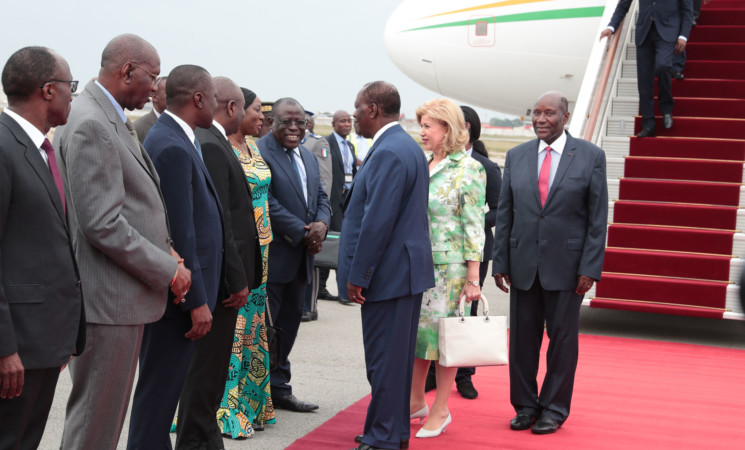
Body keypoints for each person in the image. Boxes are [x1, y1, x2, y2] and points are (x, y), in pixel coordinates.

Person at [54, 34, 190, 450]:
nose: (155, 87)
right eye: (152, 76)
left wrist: (162, 245)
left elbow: (128, 205)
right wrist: (167, 268)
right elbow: (102, 223)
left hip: (115, 297)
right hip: (107, 302)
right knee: (97, 422)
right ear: (126, 70)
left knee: (103, 419)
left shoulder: (103, 114)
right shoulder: (93, 123)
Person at [493, 91, 608, 434]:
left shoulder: (591, 156)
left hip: (568, 269)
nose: (541, 119)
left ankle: (554, 409)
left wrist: (590, 268)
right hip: (523, 265)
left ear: (566, 117)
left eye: (549, 114)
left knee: (561, 344)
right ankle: (526, 406)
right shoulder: (516, 155)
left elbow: (597, 219)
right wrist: (501, 262)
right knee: (522, 344)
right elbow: (506, 212)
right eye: (536, 113)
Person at [127, 64, 223, 449]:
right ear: (198, 98)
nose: (216, 104)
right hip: (178, 301)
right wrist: (196, 301)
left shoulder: (181, 138)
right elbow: (180, 233)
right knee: (158, 399)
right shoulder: (170, 145)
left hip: (182, 296)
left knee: (163, 399)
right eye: (214, 97)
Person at [342, 81, 435, 450]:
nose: (355, 115)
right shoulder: (405, 146)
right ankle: (393, 432)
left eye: (358, 109)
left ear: (374, 110)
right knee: (394, 362)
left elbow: (377, 221)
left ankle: (382, 437)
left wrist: (358, 275)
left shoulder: (388, 152)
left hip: (389, 274)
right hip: (403, 272)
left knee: (383, 362)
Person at [0, 46, 85, 450]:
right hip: (16, 347)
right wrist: (4, 349)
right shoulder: (3, 146)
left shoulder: (40, 148)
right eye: (72, 87)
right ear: (48, 90)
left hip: (44, 340)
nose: (74, 95)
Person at [173, 76, 262, 449]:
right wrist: (237, 280)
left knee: (211, 378)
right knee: (205, 376)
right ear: (232, 107)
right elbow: (219, 221)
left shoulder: (214, 142)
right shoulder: (210, 144)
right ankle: (196, 440)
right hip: (221, 285)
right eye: (245, 107)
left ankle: (206, 439)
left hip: (224, 281)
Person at [409, 98, 485, 439]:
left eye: (428, 126)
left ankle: (441, 408)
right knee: (418, 339)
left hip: (450, 270)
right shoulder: (424, 163)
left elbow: (473, 226)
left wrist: (473, 278)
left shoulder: (468, 169)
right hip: (418, 265)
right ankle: (414, 402)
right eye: (421, 125)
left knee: (443, 343)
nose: (422, 132)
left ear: (448, 129)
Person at [257, 97, 330, 413]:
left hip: (302, 259)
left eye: (299, 122)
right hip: (274, 259)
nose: (294, 128)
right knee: (266, 332)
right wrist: (304, 231)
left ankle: (280, 389)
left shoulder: (308, 156)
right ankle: (260, 394)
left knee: (288, 327)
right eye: (286, 121)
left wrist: (323, 224)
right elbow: (266, 202)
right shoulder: (259, 153)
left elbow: (322, 196)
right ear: (272, 121)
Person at [425, 105, 502, 400]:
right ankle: (434, 373)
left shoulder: (484, 167)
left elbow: (498, 210)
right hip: (440, 254)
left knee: (464, 315)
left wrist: (464, 219)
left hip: (472, 252)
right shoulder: (431, 163)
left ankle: (464, 374)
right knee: (435, 319)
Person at [218, 87, 276, 437]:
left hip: (263, 253)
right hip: (240, 250)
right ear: (235, 109)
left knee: (254, 329)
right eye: (256, 110)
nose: (261, 117)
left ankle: (253, 403)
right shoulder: (221, 147)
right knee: (236, 331)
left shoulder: (252, 146)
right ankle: (227, 407)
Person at [600, 0, 693, 137]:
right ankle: (648, 124)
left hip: (668, 30)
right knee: (644, 80)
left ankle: (666, 107)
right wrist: (611, 26)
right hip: (644, 31)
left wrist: (683, 35)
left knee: (663, 66)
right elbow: (623, 5)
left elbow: (687, 9)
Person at [133, 76, 167, 143]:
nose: (176, 97)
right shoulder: (139, 128)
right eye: (169, 93)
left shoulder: (187, 124)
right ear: (154, 97)